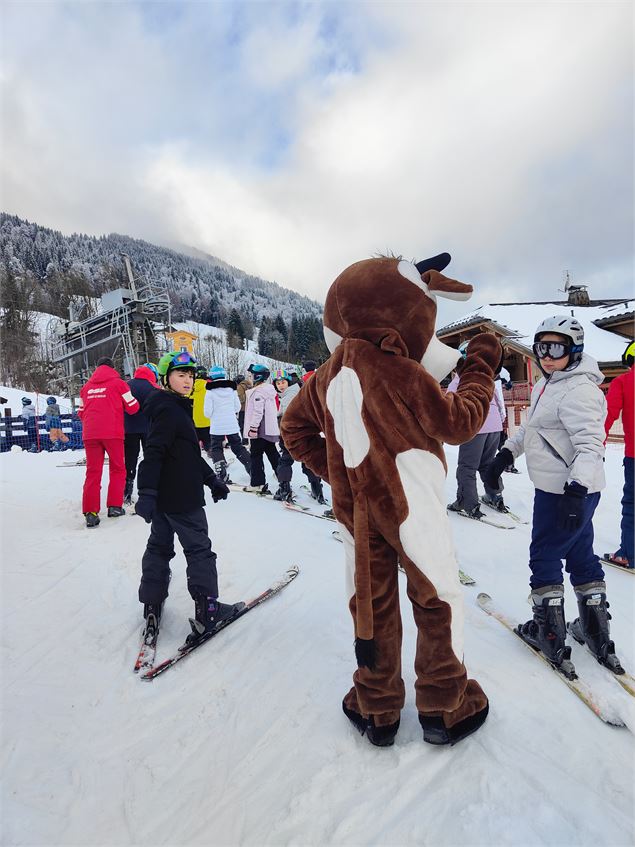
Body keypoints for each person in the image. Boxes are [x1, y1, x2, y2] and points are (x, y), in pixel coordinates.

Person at [282, 253, 502, 747]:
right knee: (435, 595)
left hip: (355, 516)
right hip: (411, 506)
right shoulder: (399, 371)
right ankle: (445, 703)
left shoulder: (320, 379)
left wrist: (340, 475)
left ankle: (377, 704)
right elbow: (459, 422)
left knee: (371, 601)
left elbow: (293, 429)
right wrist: (482, 367)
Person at [488, 316, 624, 676]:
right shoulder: (550, 384)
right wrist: (506, 453)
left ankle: (548, 633)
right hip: (567, 489)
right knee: (580, 553)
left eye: (557, 348)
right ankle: (595, 631)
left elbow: (591, 445)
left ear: (574, 350)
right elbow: (535, 429)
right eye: (541, 348)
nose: (547, 356)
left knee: (544, 555)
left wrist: (575, 491)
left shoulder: (579, 390)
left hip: (565, 491)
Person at [135, 350, 241, 642]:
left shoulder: (172, 406)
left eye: (191, 375)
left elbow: (187, 453)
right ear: (165, 378)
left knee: (159, 547)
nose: (188, 380)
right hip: (181, 498)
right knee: (199, 550)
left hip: (165, 499)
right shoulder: (169, 410)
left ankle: (152, 601)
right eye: (181, 375)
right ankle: (208, 611)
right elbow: (154, 452)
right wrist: (145, 491)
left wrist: (211, 480)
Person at [78, 356, 140, 528]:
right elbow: (133, 407)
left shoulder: (86, 387)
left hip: (90, 434)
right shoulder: (119, 384)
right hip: (113, 433)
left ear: (96, 368)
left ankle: (90, 512)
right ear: (113, 368)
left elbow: (81, 412)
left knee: (93, 472)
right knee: (118, 468)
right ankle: (114, 506)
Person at [447, 341, 507, 517]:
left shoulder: (463, 377)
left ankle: (467, 503)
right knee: (487, 464)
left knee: (467, 467)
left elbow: (450, 398)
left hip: (475, 425)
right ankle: (495, 496)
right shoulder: (488, 376)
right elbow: (498, 400)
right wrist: (501, 423)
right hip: (494, 425)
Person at [602, 340, 634, 568]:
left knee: (632, 504)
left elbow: (607, 415)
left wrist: (597, 445)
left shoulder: (623, 381)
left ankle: (629, 554)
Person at [203, 365, 251, 483]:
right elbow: (238, 407)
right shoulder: (231, 390)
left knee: (216, 448)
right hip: (231, 424)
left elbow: (207, 413)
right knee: (238, 447)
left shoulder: (210, 392)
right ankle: (252, 467)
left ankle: (221, 472)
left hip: (217, 426)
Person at [124, 363, 160, 504]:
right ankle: (150, 490)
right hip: (149, 429)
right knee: (150, 459)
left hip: (129, 428)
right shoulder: (153, 387)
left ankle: (127, 491)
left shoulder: (127, 385)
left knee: (130, 460)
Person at [243, 363, 280, 494]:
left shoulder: (258, 392)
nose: (250, 377)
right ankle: (284, 480)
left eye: (252, 375)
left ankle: (257, 483)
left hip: (259, 430)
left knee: (256, 456)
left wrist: (253, 428)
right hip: (268, 429)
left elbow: (258, 412)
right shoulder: (269, 390)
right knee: (273, 454)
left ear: (257, 376)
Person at [272, 368, 301, 501]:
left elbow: (289, 417)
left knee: (285, 460)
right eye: (278, 384)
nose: (281, 385)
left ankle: (284, 488)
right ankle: (316, 488)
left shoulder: (290, 395)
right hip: (298, 432)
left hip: (291, 433)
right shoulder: (291, 393)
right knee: (307, 462)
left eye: (283, 382)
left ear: (288, 382)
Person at [191, 366, 212, 454]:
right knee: (208, 440)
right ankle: (211, 453)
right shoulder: (209, 386)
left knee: (194, 440)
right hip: (207, 419)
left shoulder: (191, 387)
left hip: (194, 420)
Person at [235, 373, 251, 444]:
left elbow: (241, 399)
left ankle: (245, 440)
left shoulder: (240, 387)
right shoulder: (249, 385)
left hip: (243, 409)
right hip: (250, 408)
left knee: (242, 425)